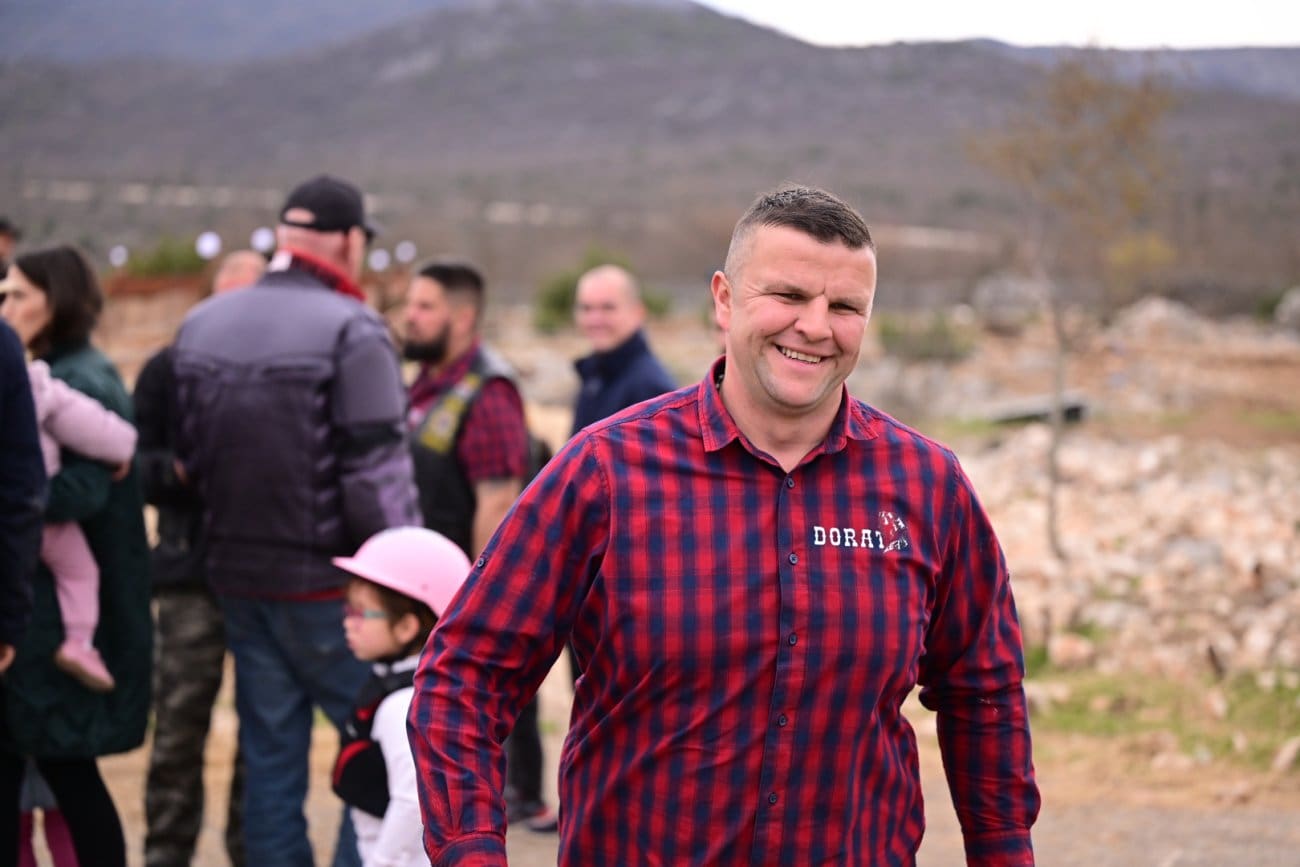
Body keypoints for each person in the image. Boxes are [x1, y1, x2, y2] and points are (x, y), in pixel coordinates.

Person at [408, 185, 1040, 865]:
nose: (815, 327)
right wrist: (472, 851)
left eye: (845, 307)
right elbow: (465, 676)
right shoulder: (605, 473)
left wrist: (1003, 852)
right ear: (724, 299)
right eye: (789, 295)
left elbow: (984, 692)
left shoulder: (927, 486)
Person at [171, 175, 421, 867]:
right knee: (371, 747)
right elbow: (377, 473)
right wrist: (406, 584)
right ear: (349, 240)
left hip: (237, 580)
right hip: (331, 591)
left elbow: (187, 459)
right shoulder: (353, 329)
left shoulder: (203, 323)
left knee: (269, 754)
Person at [0, 245, 153, 867]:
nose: (5, 307)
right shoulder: (54, 369)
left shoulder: (75, 379)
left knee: (67, 773)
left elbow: (85, 490)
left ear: (57, 300)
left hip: (56, 615)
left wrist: (16, 495)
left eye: (18, 295)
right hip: (45, 605)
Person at [401, 260, 555, 832]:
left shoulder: (489, 393)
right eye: (410, 305)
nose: (409, 317)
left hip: (459, 590)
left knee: (488, 700)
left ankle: (516, 799)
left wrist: (472, 607)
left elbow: (497, 506)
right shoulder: (427, 384)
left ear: (463, 318)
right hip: (422, 586)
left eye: (425, 307)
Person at [137, 249, 265, 867]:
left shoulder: (283, 374)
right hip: (189, 577)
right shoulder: (167, 369)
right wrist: (180, 472)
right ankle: (167, 852)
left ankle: (250, 852)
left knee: (263, 736)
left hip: (266, 580)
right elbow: (134, 465)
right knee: (178, 730)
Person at [331, 527, 471, 867]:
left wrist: (382, 861)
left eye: (361, 612)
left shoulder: (401, 704)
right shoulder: (397, 684)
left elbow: (411, 801)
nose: (348, 622)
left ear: (407, 627)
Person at [27, 357, 137, 691]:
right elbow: (93, 427)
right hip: (43, 516)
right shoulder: (34, 384)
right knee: (80, 572)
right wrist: (121, 449)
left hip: (13, 520)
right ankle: (79, 642)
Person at [570, 263, 676, 436]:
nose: (595, 319)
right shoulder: (595, 374)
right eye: (586, 308)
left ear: (638, 312)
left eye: (608, 307)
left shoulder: (650, 389)